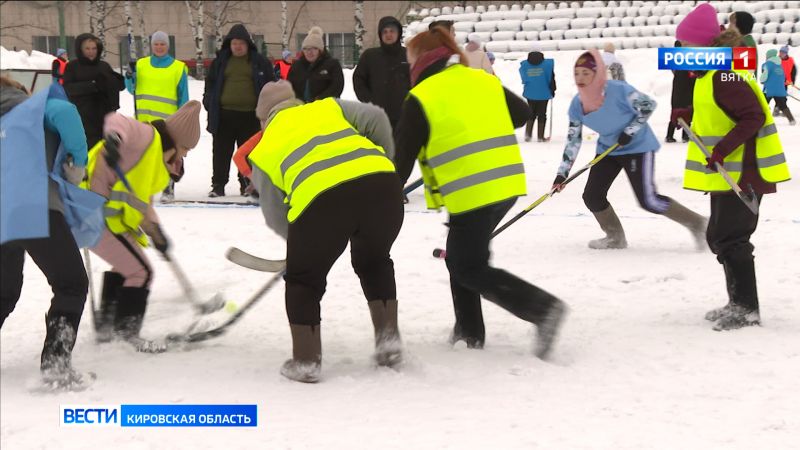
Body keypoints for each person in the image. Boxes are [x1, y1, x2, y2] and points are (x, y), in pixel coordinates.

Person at [394, 28, 567, 358]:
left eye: (410, 58)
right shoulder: (481, 80)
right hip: (505, 183)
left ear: (421, 60)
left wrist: (381, 194)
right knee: (461, 258)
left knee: (467, 266)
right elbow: (522, 113)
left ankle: (542, 309)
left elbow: (400, 162)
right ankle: (469, 331)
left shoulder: (421, 96)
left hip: (471, 189)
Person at [247, 80, 403, 383]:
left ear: (264, 119)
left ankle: (306, 362)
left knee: (304, 281)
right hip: (383, 187)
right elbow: (378, 118)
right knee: (374, 262)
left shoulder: (264, 146)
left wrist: (299, 249)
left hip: (322, 201)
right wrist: (383, 161)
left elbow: (274, 213)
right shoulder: (328, 107)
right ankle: (389, 343)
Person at [676, 5, 791, 330]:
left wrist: (722, 150)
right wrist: (686, 111)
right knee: (720, 235)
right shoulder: (709, 75)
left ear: (700, 47)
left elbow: (753, 116)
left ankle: (747, 309)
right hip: (730, 171)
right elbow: (720, 110)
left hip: (746, 171)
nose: (680, 50)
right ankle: (736, 302)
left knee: (731, 238)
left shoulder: (724, 75)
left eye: (684, 44)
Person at [551, 50, 707, 250]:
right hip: (609, 149)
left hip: (637, 147)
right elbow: (573, 140)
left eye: (586, 73)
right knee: (592, 196)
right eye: (577, 73)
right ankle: (614, 237)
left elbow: (648, 105)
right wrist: (561, 174)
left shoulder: (618, 89)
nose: (580, 78)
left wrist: (630, 130)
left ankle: (699, 224)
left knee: (649, 200)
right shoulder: (577, 104)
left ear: (597, 74)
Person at [82, 101, 202, 352]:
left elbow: (141, 202)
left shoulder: (153, 161)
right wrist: (114, 139)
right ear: (175, 140)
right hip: (90, 211)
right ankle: (127, 335)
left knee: (129, 267)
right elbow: (117, 119)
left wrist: (156, 232)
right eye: (186, 148)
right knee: (142, 272)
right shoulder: (147, 137)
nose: (185, 155)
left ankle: (107, 330)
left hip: (103, 218)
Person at [1, 76, 92, 388]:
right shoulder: (29, 106)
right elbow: (65, 113)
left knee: (3, 292)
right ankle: (55, 365)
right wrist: (78, 163)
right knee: (71, 284)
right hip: (31, 204)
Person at [203, 24, 275, 198]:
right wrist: (209, 101)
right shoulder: (220, 62)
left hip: (251, 115)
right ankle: (218, 185)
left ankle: (247, 185)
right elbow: (210, 84)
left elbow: (271, 85)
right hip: (224, 115)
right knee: (221, 152)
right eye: (234, 43)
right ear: (229, 44)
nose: (238, 46)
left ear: (247, 44)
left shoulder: (259, 62)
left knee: (249, 153)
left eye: (241, 43)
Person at [125, 31, 190, 202]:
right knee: (145, 157)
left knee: (168, 155)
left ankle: (168, 187)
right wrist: (129, 74)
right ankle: (145, 188)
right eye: (156, 44)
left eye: (162, 44)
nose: (159, 47)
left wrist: (183, 119)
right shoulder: (141, 65)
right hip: (143, 120)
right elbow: (132, 89)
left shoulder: (178, 67)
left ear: (167, 46)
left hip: (167, 122)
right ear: (152, 46)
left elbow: (183, 96)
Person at [62, 33, 125, 149]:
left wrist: (117, 82)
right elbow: (68, 89)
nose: (91, 52)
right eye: (87, 48)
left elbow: (116, 85)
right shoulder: (72, 66)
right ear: (80, 49)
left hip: (105, 117)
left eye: (94, 48)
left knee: (104, 152)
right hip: (82, 117)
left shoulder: (103, 66)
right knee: (88, 150)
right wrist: (93, 85)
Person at [352, 16, 411, 129]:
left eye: (392, 31)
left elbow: (417, 80)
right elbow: (359, 80)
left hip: (404, 117)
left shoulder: (408, 55)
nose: (388, 35)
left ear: (399, 33)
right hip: (377, 117)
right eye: (385, 32)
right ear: (380, 34)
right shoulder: (370, 56)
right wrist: (369, 101)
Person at [287, 26, 344, 103]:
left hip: (325, 107)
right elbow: (289, 86)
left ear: (320, 50)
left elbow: (337, 86)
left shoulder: (332, 65)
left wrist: (319, 100)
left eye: (314, 48)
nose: (309, 52)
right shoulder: (296, 66)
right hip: (300, 107)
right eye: (306, 49)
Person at [519, 48, 556, 142]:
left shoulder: (524, 65)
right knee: (542, 114)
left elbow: (524, 79)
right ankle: (540, 137)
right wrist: (553, 90)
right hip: (544, 92)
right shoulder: (548, 65)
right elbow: (552, 79)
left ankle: (528, 135)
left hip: (530, 92)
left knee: (531, 113)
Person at [666, 41, 695, 143]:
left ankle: (670, 135)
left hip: (678, 87)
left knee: (676, 112)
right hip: (686, 88)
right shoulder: (687, 59)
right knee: (687, 111)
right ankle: (685, 135)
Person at [761, 49, 796, 125]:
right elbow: (783, 77)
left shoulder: (767, 64)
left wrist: (762, 80)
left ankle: (759, 120)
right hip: (780, 90)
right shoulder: (780, 65)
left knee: (762, 104)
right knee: (783, 105)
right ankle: (791, 120)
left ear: (768, 56)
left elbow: (764, 76)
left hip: (769, 89)